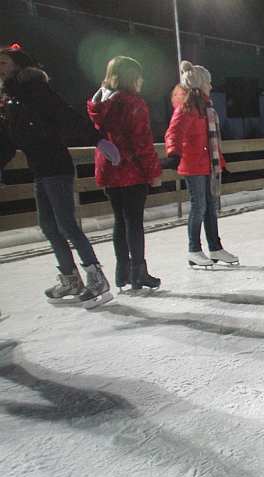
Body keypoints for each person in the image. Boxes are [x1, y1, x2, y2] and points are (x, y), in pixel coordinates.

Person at [0, 44, 120, 308]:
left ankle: (95, 276)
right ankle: (71, 278)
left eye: (4, 62)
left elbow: (66, 115)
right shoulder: (10, 99)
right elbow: (8, 140)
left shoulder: (36, 90)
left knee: (66, 225)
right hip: (40, 170)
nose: (0, 67)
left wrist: (98, 140)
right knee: (48, 226)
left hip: (56, 166)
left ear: (18, 65)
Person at [87, 56, 163, 292]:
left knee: (120, 222)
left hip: (109, 168)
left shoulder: (100, 104)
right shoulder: (133, 103)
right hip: (131, 170)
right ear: (133, 77)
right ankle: (139, 273)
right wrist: (153, 172)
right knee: (134, 223)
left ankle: (123, 273)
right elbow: (142, 142)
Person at [164, 61, 237, 267]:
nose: (211, 87)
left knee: (211, 207)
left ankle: (215, 248)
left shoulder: (206, 108)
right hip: (192, 165)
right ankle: (194, 250)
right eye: (209, 83)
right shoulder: (187, 108)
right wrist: (173, 154)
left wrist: (221, 164)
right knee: (199, 207)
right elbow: (173, 132)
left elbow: (212, 142)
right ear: (201, 84)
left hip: (206, 165)